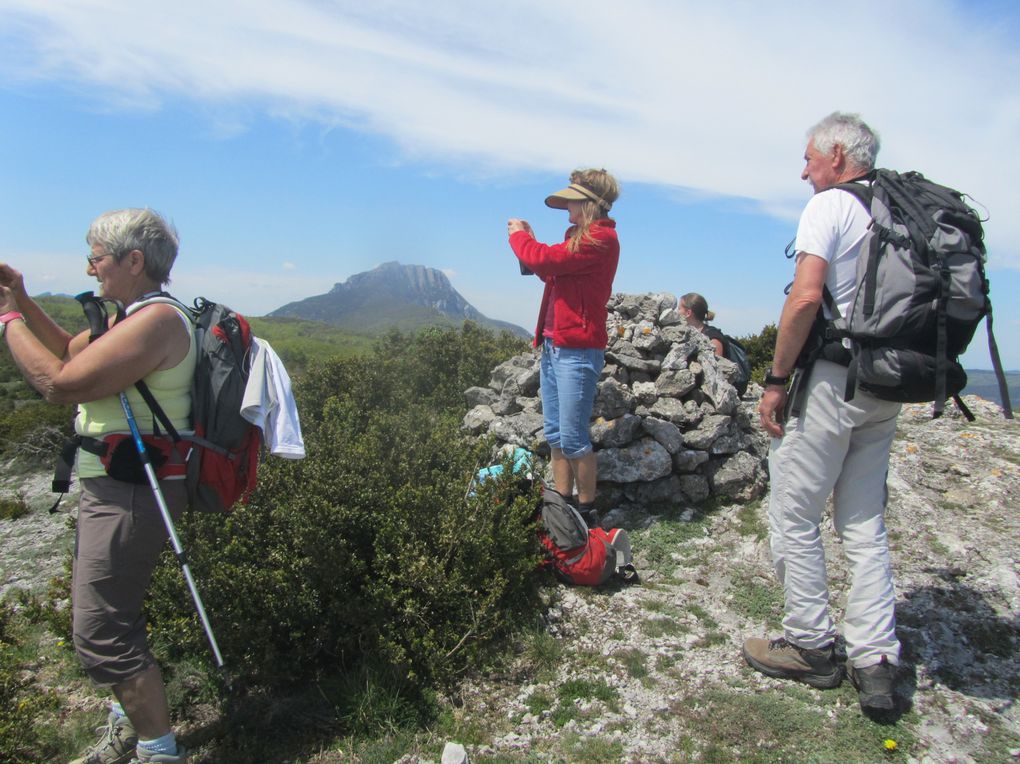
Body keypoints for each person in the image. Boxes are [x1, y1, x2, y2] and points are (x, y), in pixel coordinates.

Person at [0, 209, 194, 763]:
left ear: (135, 261)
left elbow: (59, 384)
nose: (90, 270)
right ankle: (130, 729)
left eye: (97, 258)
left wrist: (7, 319)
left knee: (101, 630)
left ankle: (158, 752)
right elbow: (69, 351)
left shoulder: (155, 322)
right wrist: (24, 299)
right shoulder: (129, 317)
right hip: (114, 486)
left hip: (133, 490)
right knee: (116, 616)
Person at [742, 112, 902, 718]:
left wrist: (776, 380)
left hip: (834, 381)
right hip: (888, 387)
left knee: (796, 511)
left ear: (838, 156)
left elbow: (807, 296)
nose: (803, 169)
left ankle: (810, 644)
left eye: (809, 157)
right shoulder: (896, 210)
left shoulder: (831, 206)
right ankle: (875, 658)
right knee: (863, 522)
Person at [507, 168, 620, 527]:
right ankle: (562, 505)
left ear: (589, 204)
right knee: (556, 434)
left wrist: (521, 238)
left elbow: (547, 261)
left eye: (572, 201)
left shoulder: (601, 240)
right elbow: (549, 269)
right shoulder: (578, 239)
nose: (567, 207)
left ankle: (587, 513)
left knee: (572, 438)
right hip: (555, 346)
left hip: (577, 350)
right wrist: (533, 245)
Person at [678, 292, 726, 357]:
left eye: (679, 309)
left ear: (688, 313)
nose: (676, 312)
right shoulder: (682, 334)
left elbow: (717, 365)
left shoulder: (713, 339)